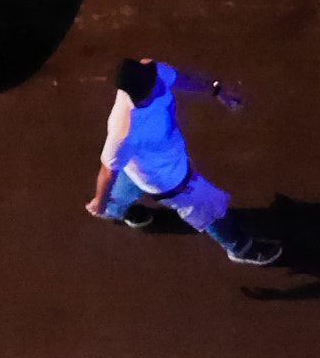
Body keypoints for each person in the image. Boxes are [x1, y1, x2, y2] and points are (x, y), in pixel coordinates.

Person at [86, 58, 280, 265]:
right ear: (140, 95)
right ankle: (240, 248)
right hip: (166, 178)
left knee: (126, 183)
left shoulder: (152, 71)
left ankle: (114, 210)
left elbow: (179, 79)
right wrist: (99, 200)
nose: (161, 81)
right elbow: (108, 170)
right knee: (210, 208)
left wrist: (216, 90)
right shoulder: (125, 132)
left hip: (137, 164)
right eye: (154, 84)